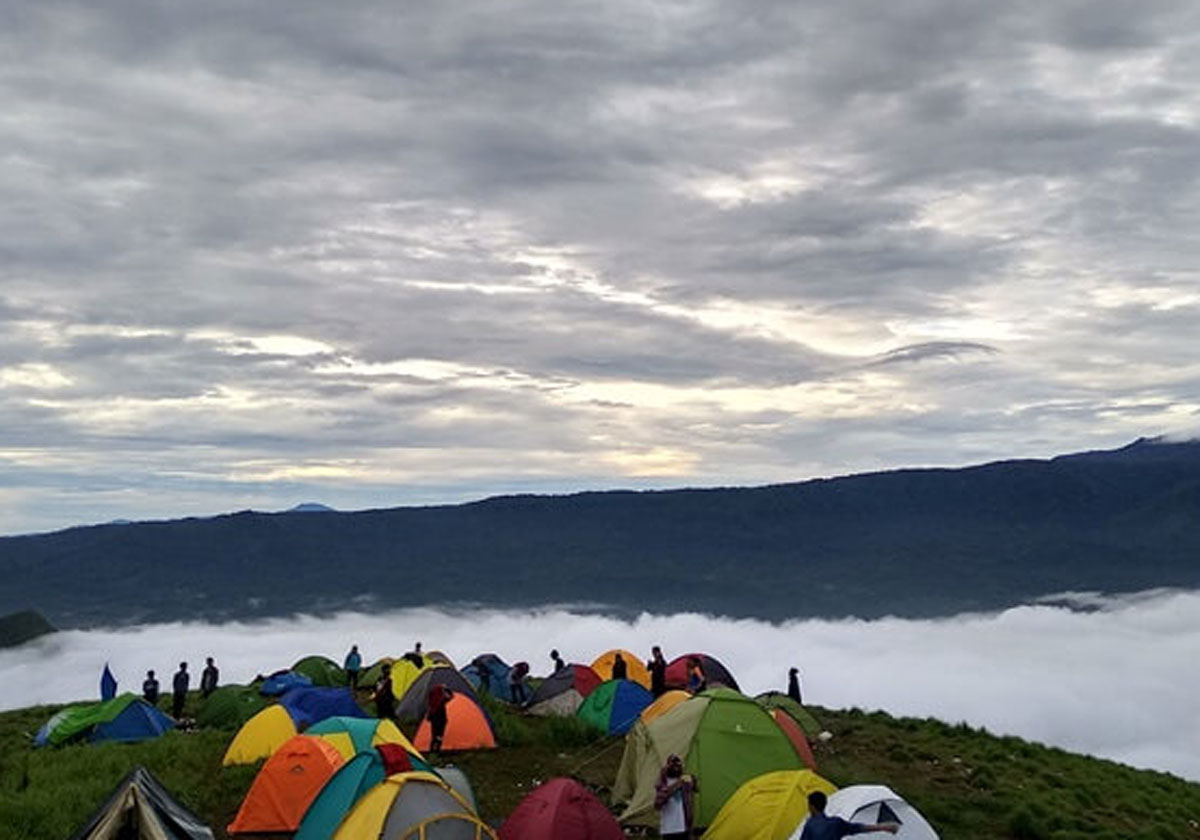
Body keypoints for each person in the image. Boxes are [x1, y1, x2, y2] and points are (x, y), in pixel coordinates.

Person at [797, 790, 898, 839]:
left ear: (811, 807)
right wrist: (885, 827)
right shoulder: (836, 823)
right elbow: (859, 828)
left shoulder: (810, 825)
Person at [654, 754, 698, 840]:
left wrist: (693, 781)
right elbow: (658, 804)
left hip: (684, 827)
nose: (676, 767)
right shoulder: (663, 782)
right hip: (669, 829)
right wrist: (677, 785)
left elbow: (696, 789)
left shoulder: (684, 781)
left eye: (679, 765)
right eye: (673, 765)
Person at [427, 682, 453, 751]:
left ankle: (432, 748)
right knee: (439, 733)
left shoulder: (432, 703)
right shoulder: (441, 701)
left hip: (433, 716)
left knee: (434, 733)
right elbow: (450, 696)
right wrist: (446, 689)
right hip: (440, 717)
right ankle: (437, 748)